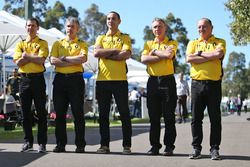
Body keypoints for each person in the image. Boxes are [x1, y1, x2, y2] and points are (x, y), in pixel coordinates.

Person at [186, 18, 226, 160]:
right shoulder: (193, 43)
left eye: (204, 26)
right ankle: (196, 148)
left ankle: (214, 149)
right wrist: (208, 56)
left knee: (215, 118)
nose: (201, 29)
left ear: (211, 27)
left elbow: (218, 55)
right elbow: (189, 59)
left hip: (214, 84)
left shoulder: (219, 42)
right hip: (196, 84)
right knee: (196, 118)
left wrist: (199, 54)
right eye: (199, 27)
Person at [94, 11, 132, 154]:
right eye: (108, 19)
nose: (111, 21)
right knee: (103, 115)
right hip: (102, 81)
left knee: (124, 114)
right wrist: (115, 51)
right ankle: (104, 145)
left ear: (119, 21)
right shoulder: (100, 37)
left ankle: (126, 145)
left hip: (120, 81)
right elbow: (96, 53)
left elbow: (126, 54)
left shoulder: (125, 37)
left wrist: (107, 54)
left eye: (113, 19)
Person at [50, 17, 88, 153]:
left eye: (72, 26)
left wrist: (64, 58)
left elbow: (82, 58)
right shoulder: (57, 44)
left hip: (76, 81)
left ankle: (80, 144)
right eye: (67, 26)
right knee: (59, 114)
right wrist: (72, 61)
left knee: (78, 114)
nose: (69, 29)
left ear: (77, 28)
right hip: (60, 80)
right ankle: (60, 144)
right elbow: (53, 60)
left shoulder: (82, 43)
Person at [141, 18, 178, 156]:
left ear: (165, 28)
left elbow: (169, 55)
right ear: (152, 29)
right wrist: (161, 55)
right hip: (152, 81)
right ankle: (154, 146)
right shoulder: (148, 43)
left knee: (169, 116)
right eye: (155, 27)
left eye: (160, 27)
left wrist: (154, 52)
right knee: (154, 117)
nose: (157, 29)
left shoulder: (172, 42)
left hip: (167, 81)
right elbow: (144, 59)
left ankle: (169, 146)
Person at [13, 18, 49, 153]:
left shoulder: (42, 43)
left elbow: (41, 60)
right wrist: (31, 56)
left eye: (33, 26)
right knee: (25, 113)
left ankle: (42, 143)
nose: (30, 28)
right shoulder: (20, 44)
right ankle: (28, 142)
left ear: (37, 28)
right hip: (24, 80)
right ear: (25, 27)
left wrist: (26, 56)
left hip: (38, 79)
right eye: (28, 25)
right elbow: (18, 63)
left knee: (41, 112)